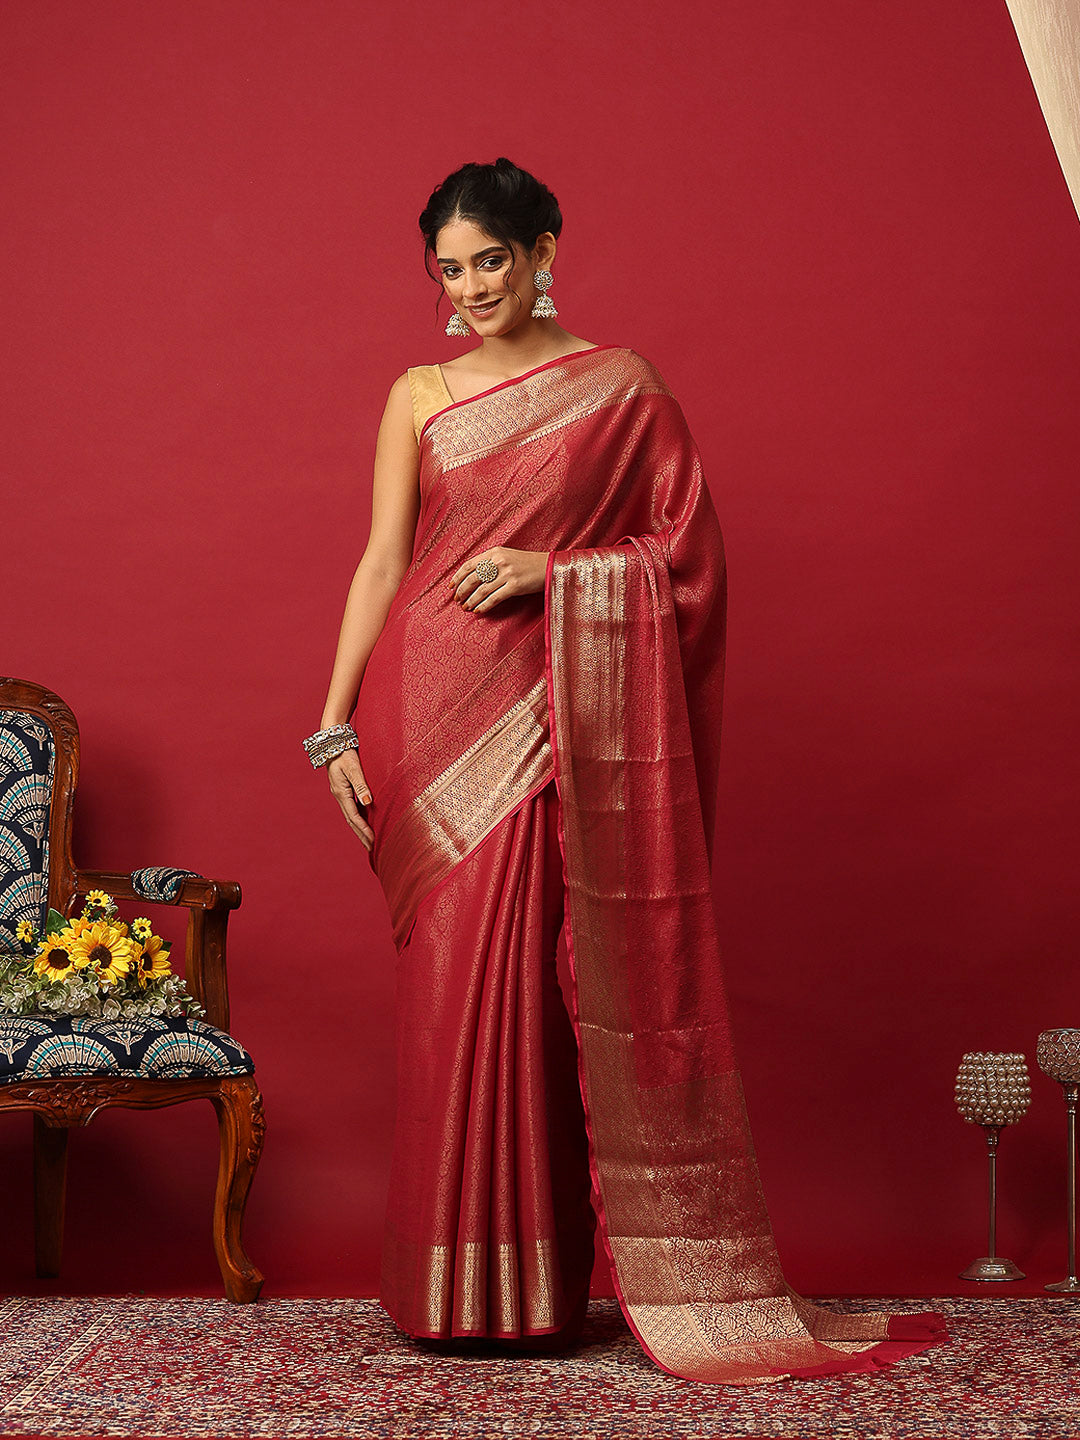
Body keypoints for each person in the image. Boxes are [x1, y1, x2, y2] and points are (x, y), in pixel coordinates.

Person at [304, 157, 950, 1386]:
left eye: (492, 260)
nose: (471, 287)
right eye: (449, 268)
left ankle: (529, 1293)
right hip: (422, 712)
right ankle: (442, 1287)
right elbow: (382, 562)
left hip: (554, 703)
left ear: (544, 250)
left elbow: (686, 557)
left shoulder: (621, 388)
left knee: (534, 992)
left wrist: (551, 572)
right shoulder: (417, 393)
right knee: (447, 993)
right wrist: (334, 728)